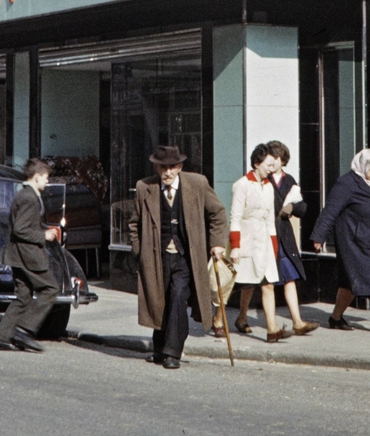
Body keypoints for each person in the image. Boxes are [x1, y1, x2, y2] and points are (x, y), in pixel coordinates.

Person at [126, 146, 228, 370]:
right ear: (156, 167)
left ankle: (173, 352)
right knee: (159, 299)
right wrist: (139, 252)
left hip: (185, 256)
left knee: (178, 296)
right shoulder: (145, 187)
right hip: (155, 256)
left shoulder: (197, 184)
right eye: (163, 167)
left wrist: (218, 243)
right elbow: (134, 224)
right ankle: (159, 349)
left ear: (180, 167)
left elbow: (218, 213)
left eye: (172, 167)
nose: (168, 172)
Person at [310, 148, 370, 335]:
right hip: (354, 241)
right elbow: (330, 211)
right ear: (364, 165)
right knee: (369, 277)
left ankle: (335, 318)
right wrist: (318, 236)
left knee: (349, 284)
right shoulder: (346, 184)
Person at [0, 158, 62, 352]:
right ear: (37, 177)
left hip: (17, 255)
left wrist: (47, 229)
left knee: (23, 296)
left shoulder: (24, 194)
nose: (47, 182)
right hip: (27, 255)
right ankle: (24, 330)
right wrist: (43, 235)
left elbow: (25, 224)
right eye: (46, 178)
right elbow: (21, 230)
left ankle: (0, 337)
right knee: (51, 288)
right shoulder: (29, 197)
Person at [230, 145, 291, 343]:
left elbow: (269, 219)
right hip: (246, 241)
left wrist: (273, 247)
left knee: (267, 284)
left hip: (263, 241)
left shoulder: (268, 186)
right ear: (256, 163)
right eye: (268, 165)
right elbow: (235, 218)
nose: (271, 170)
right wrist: (236, 246)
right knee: (242, 284)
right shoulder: (241, 185)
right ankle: (224, 318)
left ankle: (272, 329)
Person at [267, 140, 318, 336]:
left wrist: (292, 208)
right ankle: (241, 316)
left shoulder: (290, 181)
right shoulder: (263, 178)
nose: (271, 162)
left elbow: (303, 207)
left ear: (282, 160)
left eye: (275, 158)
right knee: (256, 282)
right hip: (267, 234)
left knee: (289, 278)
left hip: (284, 237)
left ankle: (297, 322)